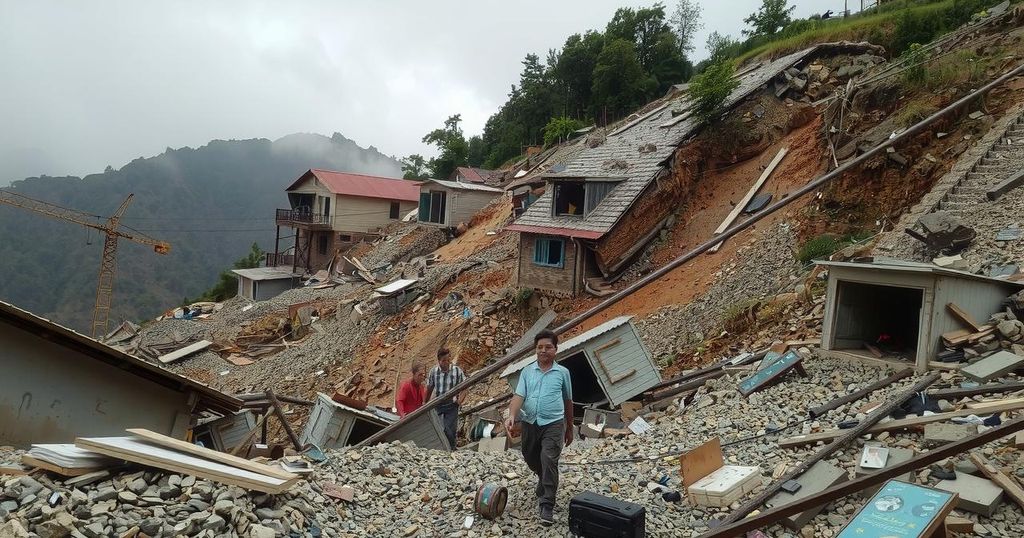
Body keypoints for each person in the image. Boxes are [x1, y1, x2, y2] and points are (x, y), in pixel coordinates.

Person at [504, 330, 573, 526]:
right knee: (530, 456)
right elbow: (519, 397)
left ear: (555, 350)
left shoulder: (562, 373)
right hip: (530, 423)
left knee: (548, 458)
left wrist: (570, 427)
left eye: (548, 347)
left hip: (553, 423)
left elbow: (568, 401)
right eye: (540, 347)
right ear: (535, 350)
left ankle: (547, 505)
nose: (543, 351)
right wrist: (512, 415)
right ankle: (544, 478)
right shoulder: (527, 371)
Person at [425, 348, 465, 450]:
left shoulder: (457, 371)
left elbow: (465, 387)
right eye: (444, 361)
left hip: (452, 405)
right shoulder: (433, 372)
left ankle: (451, 449)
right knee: (437, 427)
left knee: (449, 429)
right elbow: (429, 388)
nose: (446, 363)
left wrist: (459, 401)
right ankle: (440, 448)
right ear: (439, 361)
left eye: (448, 360)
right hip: (438, 404)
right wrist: (425, 403)